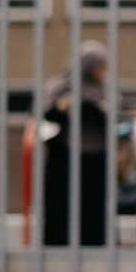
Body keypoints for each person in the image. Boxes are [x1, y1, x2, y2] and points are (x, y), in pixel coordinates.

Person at [42, 40, 111, 247]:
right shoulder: (61, 87)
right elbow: (44, 113)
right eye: (99, 66)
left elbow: (115, 116)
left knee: (93, 209)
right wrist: (64, 107)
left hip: (96, 159)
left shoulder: (104, 89)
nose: (103, 71)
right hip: (65, 156)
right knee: (62, 207)